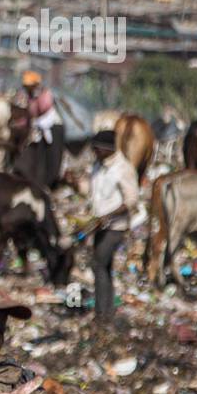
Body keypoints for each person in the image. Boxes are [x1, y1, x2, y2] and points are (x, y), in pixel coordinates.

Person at [87, 129, 138, 320]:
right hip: (99, 225)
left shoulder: (123, 168)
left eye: (97, 149)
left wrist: (108, 215)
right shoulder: (98, 166)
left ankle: (102, 313)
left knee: (98, 263)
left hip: (116, 226)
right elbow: (94, 193)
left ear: (108, 149)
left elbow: (131, 200)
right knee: (104, 266)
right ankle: (107, 310)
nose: (95, 153)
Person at [16, 70, 65, 190]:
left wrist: (33, 121)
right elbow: (29, 115)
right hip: (40, 129)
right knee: (38, 155)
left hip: (53, 128)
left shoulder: (44, 94)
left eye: (30, 86)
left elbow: (44, 110)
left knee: (52, 156)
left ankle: (50, 182)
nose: (28, 88)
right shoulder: (30, 96)